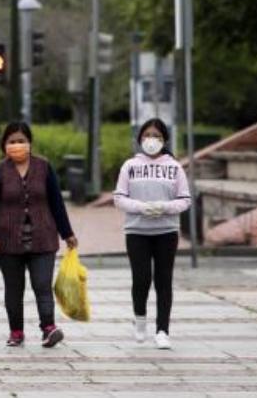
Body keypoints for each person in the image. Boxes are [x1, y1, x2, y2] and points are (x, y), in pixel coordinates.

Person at [0, 122, 78, 348]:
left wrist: (67, 233)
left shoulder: (44, 167)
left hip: (43, 238)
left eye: (21, 140)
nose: (17, 145)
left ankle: (48, 328)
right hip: (7, 241)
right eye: (11, 141)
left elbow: (56, 202)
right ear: (4, 145)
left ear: (30, 143)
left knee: (42, 284)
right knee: (14, 288)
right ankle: (16, 331)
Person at [113, 118, 190, 350]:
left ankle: (162, 330)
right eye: (147, 135)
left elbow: (185, 199)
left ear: (165, 140)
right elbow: (119, 197)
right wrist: (140, 207)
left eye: (156, 136)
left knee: (163, 280)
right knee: (142, 277)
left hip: (166, 231)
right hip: (137, 230)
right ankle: (139, 320)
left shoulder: (175, 167)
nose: (151, 140)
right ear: (139, 139)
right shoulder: (129, 166)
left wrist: (164, 207)